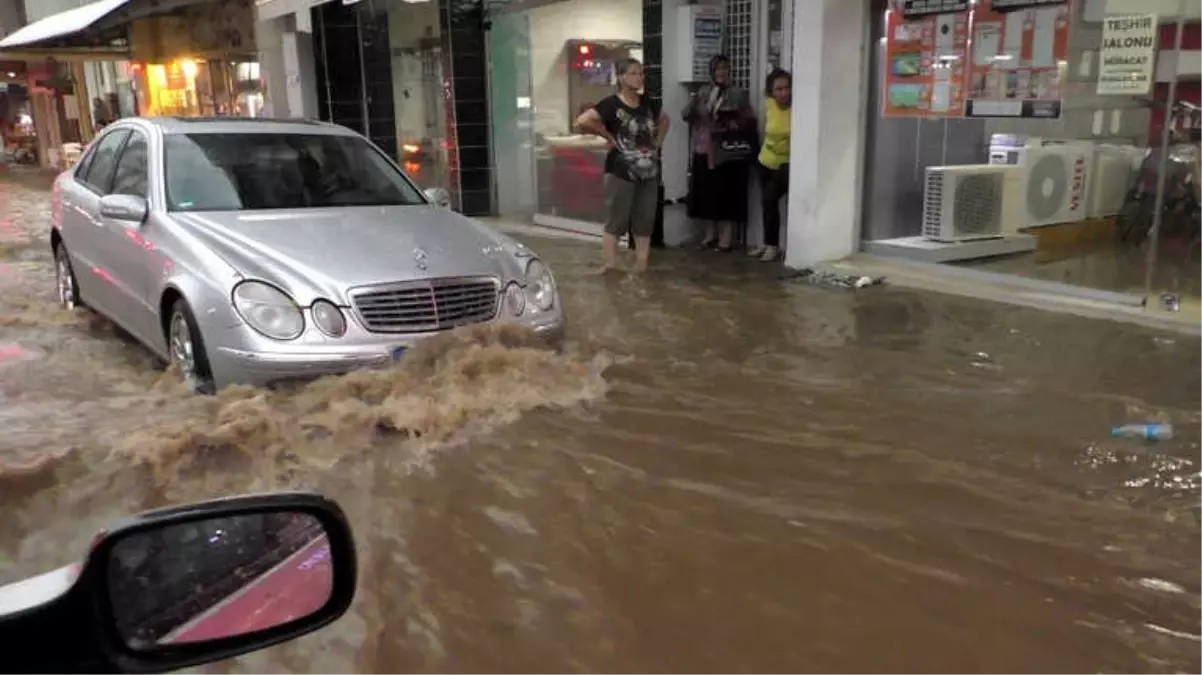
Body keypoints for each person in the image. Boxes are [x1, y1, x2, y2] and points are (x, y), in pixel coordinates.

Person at [574, 58, 669, 272]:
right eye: (635, 73)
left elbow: (665, 120)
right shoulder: (611, 105)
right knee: (617, 221)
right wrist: (607, 135)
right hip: (620, 171)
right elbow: (581, 121)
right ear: (622, 78)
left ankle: (641, 267)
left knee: (644, 222)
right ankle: (611, 266)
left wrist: (658, 143)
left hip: (649, 171)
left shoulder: (650, 104)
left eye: (642, 73)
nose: (640, 77)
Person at [682, 54, 756, 252]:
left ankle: (727, 237)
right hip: (704, 148)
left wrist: (730, 121)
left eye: (725, 68)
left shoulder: (738, 94)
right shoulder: (704, 91)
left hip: (727, 152)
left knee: (727, 194)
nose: (721, 72)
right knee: (706, 193)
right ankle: (709, 234)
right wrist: (694, 100)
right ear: (712, 72)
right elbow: (686, 115)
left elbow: (748, 120)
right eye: (717, 69)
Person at [748, 68, 791, 262]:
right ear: (771, 91)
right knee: (767, 205)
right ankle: (766, 243)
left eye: (786, 88)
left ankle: (773, 246)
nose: (783, 93)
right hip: (765, 159)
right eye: (778, 89)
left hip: (786, 163)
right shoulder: (770, 105)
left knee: (769, 198)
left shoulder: (798, 108)